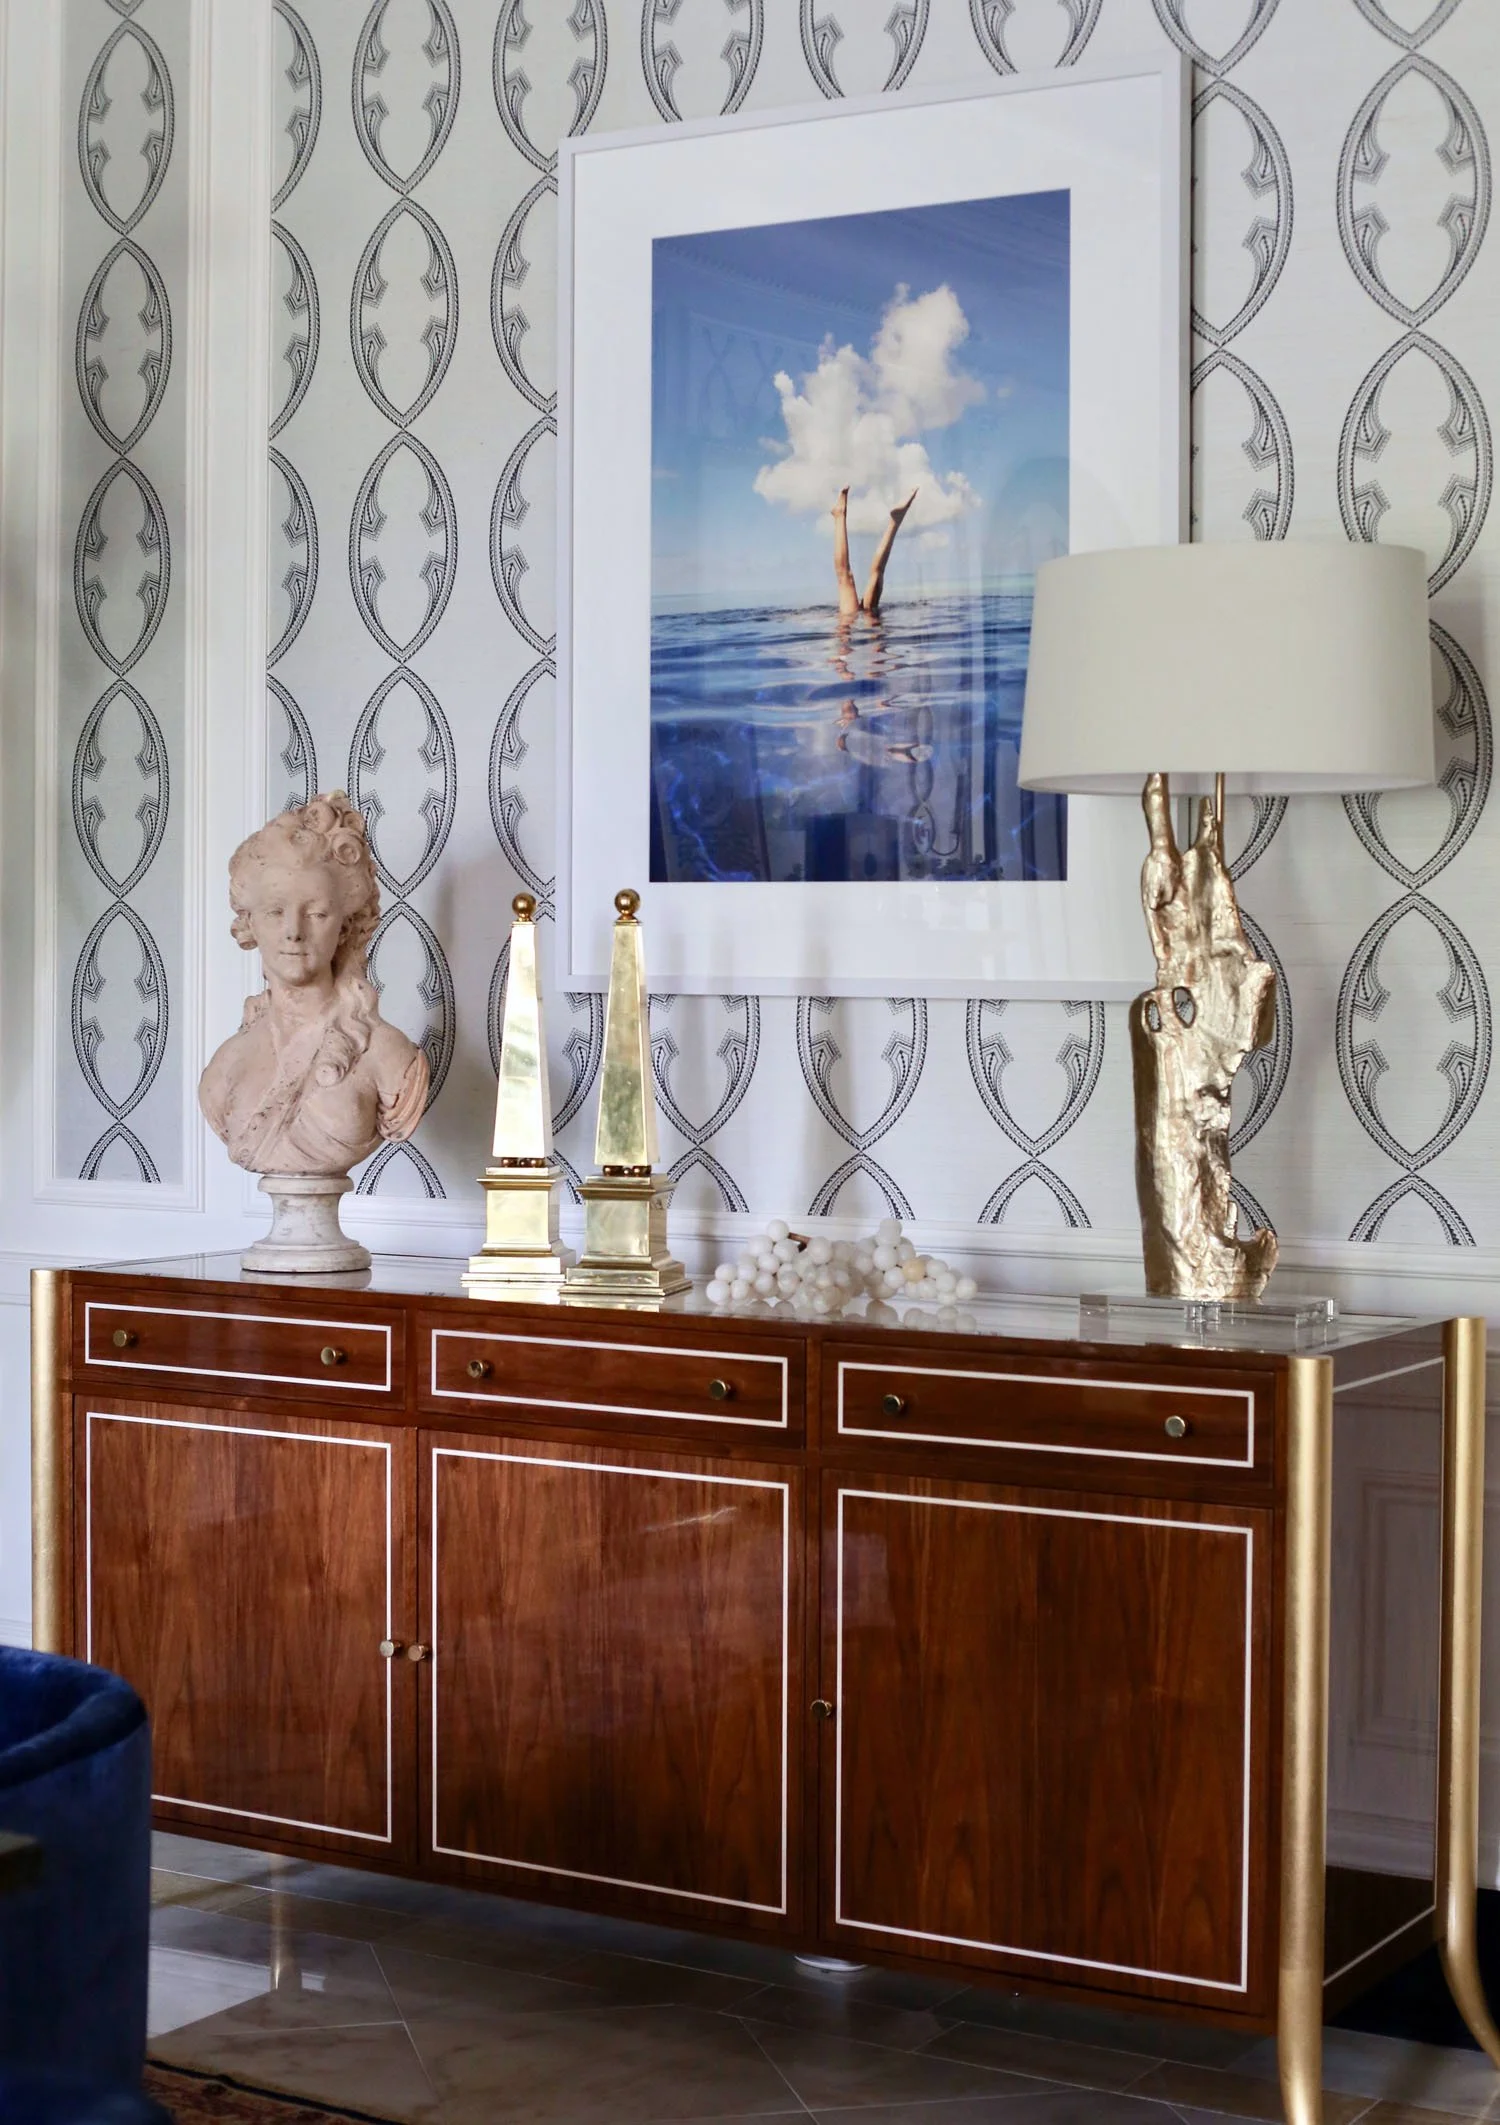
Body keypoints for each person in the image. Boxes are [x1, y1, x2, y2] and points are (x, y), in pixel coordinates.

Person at [199, 792, 428, 1176]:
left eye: (317, 914)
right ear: (249, 922)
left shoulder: (388, 1056)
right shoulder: (225, 1066)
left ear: (345, 926)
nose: (294, 931)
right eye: (275, 912)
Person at [832, 484, 918, 618]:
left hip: (852, 620)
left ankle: (840, 514)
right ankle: (894, 522)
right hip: (866, 619)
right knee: (872, 575)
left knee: (850, 576)